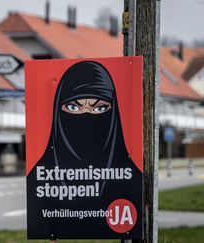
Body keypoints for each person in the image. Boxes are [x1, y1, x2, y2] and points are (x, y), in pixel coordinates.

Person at [27, 61, 142, 239]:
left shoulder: (129, 175)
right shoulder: (40, 175)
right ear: (58, 111)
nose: (86, 115)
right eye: (74, 106)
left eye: (99, 107)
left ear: (113, 113)